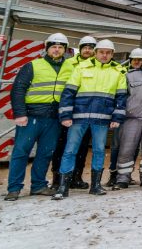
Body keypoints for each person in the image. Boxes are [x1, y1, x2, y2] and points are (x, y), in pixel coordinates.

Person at [53, 39, 127, 200]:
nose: (105, 55)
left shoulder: (118, 71)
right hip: (78, 117)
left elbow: (121, 98)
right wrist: (65, 115)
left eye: (108, 52)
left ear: (112, 54)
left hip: (102, 119)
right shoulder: (81, 67)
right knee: (70, 150)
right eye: (101, 52)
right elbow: (68, 93)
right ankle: (62, 187)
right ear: (96, 52)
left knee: (99, 151)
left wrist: (117, 117)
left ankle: (95, 185)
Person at [5, 33, 74, 201]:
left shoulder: (70, 68)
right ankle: (14, 188)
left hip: (53, 118)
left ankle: (38, 185)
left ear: (65, 50)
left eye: (60, 47)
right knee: (21, 152)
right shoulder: (33, 66)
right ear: (47, 48)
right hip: (31, 116)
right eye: (53, 47)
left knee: (45, 153)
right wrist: (20, 114)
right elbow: (18, 89)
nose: (57, 50)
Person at [51, 35, 96, 191]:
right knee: (62, 145)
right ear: (80, 49)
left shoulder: (97, 65)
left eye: (91, 48)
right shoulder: (68, 63)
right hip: (69, 110)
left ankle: (76, 177)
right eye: (85, 47)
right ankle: (58, 178)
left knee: (82, 146)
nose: (88, 50)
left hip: (85, 111)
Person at [113, 46, 142, 189]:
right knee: (126, 148)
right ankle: (123, 177)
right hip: (131, 118)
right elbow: (121, 96)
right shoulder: (130, 75)